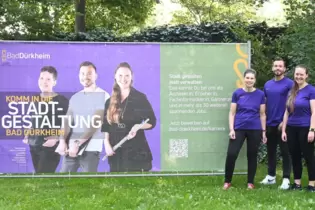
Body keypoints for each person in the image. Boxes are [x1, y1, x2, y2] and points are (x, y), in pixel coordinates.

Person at [101, 62, 156, 172]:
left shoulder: (139, 98)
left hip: (136, 153)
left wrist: (138, 126)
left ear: (131, 77)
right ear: (115, 77)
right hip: (116, 153)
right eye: (120, 75)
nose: (123, 79)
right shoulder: (109, 101)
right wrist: (106, 144)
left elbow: (152, 122)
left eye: (127, 75)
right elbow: (106, 126)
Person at [55, 61, 110, 173]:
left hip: (90, 150)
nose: (85, 77)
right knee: (63, 183)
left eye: (89, 73)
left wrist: (78, 144)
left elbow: (96, 122)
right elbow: (67, 121)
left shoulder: (103, 95)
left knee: (88, 185)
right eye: (82, 73)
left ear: (96, 76)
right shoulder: (75, 97)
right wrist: (61, 141)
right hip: (71, 150)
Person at [223, 68, 267, 190]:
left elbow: (263, 114)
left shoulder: (260, 94)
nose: (249, 80)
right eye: (247, 78)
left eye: (252, 78)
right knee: (231, 154)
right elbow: (232, 113)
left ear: (255, 80)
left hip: (255, 129)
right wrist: (232, 129)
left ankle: (250, 182)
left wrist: (263, 132)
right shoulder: (237, 93)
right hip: (239, 128)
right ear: (244, 79)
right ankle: (227, 181)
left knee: (252, 155)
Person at [22, 66, 69, 173]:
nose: (44, 82)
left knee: (43, 177)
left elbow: (69, 124)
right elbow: (34, 119)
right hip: (34, 145)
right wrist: (28, 133)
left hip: (50, 147)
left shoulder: (62, 101)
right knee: (40, 178)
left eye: (48, 79)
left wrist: (57, 139)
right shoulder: (35, 99)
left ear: (54, 82)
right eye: (42, 78)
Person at [260, 58, 293, 189]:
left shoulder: (290, 84)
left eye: (280, 66)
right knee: (271, 151)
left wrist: (284, 122)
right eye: (275, 66)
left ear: (284, 69)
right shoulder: (267, 84)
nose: (278, 68)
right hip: (270, 123)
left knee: (286, 152)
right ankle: (271, 177)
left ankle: (286, 179)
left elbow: (291, 104)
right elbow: (265, 104)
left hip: (283, 124)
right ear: (272, 68)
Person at [281, 65, 315, 192]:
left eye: (301, 74)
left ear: (306, 75)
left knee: (308, 156)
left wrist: (312, 130)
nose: (299, 77)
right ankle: (297, 183)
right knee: (294, 156)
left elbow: (314, 112)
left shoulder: (311, 90)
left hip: (305, 128)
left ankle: (312, 184)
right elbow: (286, 112)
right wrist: (284, 130)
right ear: (294, 75)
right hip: (291, 128)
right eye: (297, 74)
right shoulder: (291, 91)